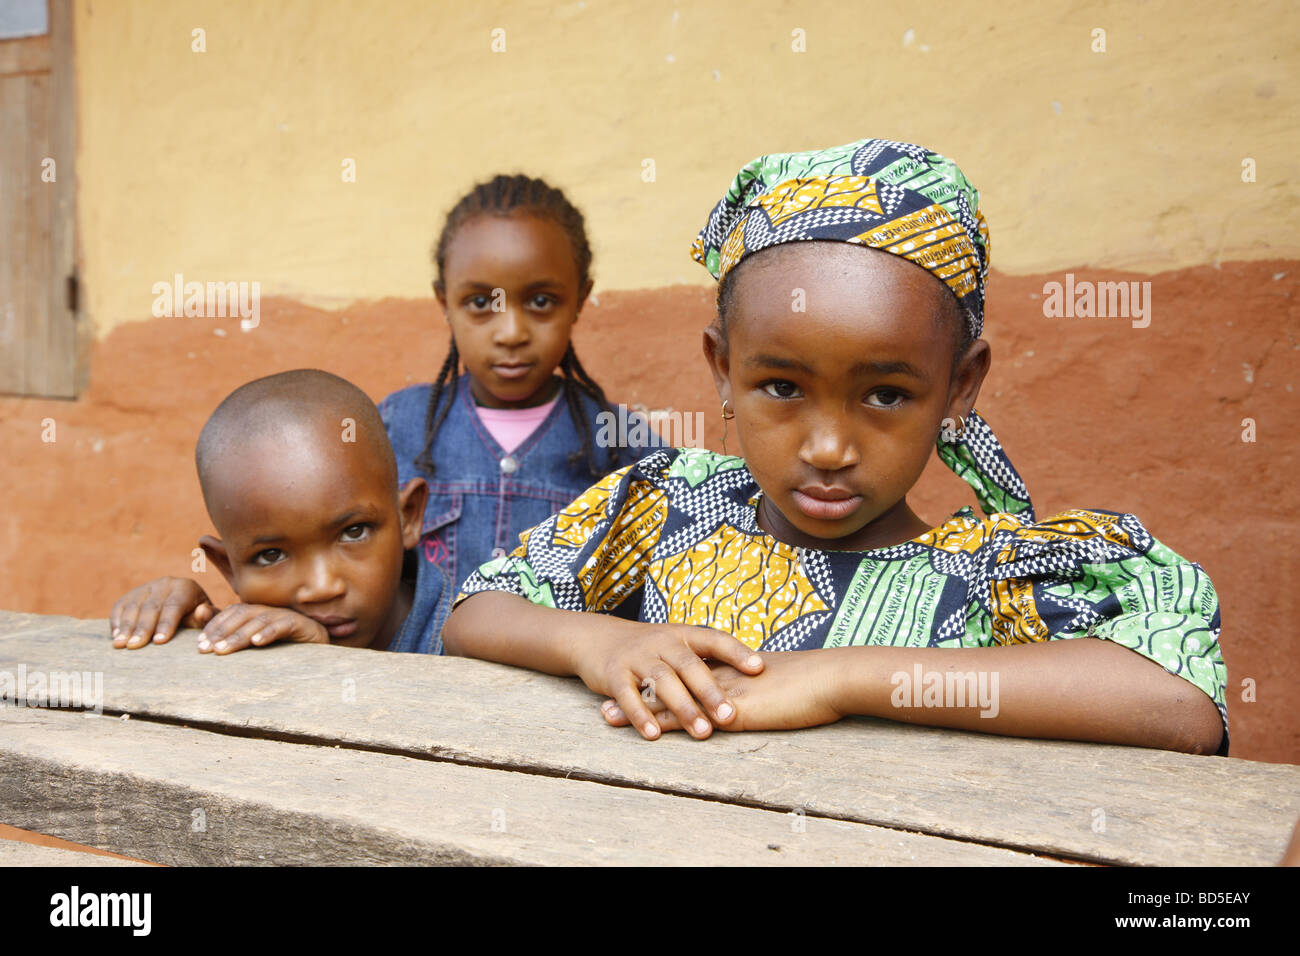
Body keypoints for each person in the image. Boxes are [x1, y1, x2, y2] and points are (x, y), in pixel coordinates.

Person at [444, 138, 1229, 756]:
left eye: (886, 395)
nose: (826, 447)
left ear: (960, 387)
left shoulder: (992, 576)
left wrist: (839, 679)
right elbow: (475, 613)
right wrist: (601, 642)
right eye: (782, 387)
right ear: (723, 369)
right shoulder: (661, 510)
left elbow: (1181, 702)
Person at [378, 174, 657, 650]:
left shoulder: (622, 443)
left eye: (541, 301)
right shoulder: (394, 428)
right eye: (481, 302)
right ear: (444, 301)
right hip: (412, 698)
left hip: (555, 713)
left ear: (581, 299)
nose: (511, 332)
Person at [110, 369, 432, 653]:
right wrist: (189, 634)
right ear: (228, 567)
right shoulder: (252, 643)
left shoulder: (466, 638)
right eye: (272, 555)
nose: (321, 588)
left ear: (409, 517)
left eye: (353, 532)